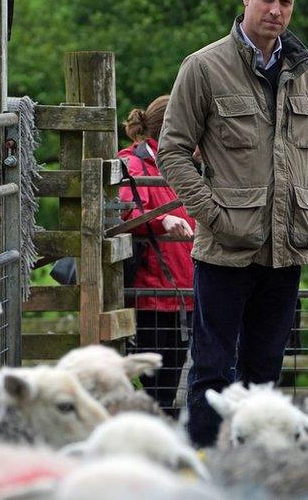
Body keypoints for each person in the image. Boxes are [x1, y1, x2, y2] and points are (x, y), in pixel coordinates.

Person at [158, 0, 308, 446]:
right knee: (212, 370)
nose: (276, 10)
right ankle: (206, 466)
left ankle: (260, 467)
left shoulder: (307, 69)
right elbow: (172, 148)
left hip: (287, 248)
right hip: (225, 250)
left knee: (265, 373)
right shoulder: (204, 67)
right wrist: (210, 213)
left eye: (286, 2)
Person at [119, 96, 196, 418]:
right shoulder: (133, 163)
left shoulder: (188, 163)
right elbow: (126, 211)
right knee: (156, 377)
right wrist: (160, 219)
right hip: (153, 289)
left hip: (186, 287)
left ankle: (161, 432)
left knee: (174, 370)